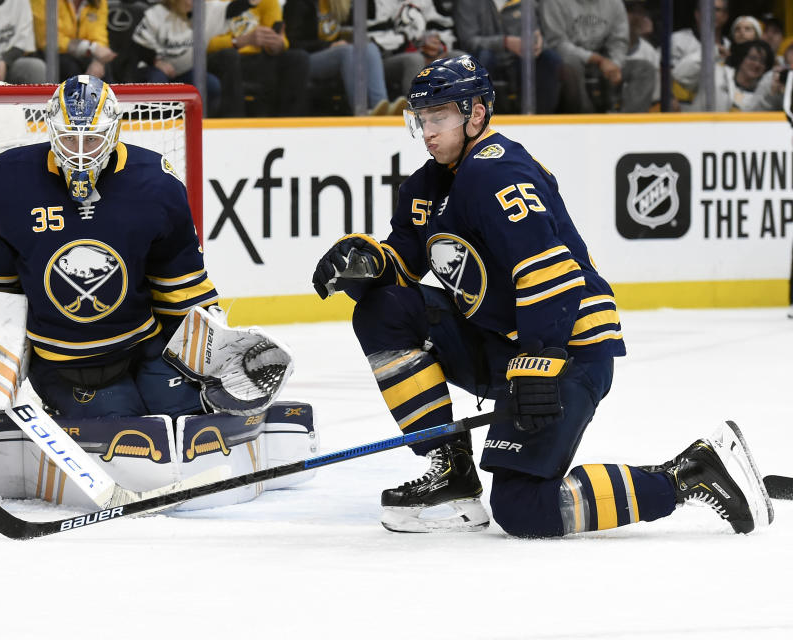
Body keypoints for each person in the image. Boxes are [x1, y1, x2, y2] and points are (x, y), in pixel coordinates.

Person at [310, 55, 773, 537]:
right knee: (383, 309)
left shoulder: (498, 172)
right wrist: (367, 265)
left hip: (568, 346)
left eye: (440, 116)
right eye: (422, 119)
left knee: (522, 507)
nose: (428, 131)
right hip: (505, 343)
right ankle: (451, 469)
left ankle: (688, 475)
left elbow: (547, 270)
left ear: (476, 114)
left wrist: (539, 357)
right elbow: (405, 263)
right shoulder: (426, 185)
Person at [0, 76, 217, 419]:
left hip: (144, 344)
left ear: (113, 133)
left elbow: (179, 281)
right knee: (124, 428)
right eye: (69, 139)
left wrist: (215, 344)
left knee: (187, 414)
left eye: (92, 140)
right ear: (51, 131)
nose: (80, 153)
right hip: (64, 363)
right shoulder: (7, 181)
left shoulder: (155, 182)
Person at [131, 0, 258, 118]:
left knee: (211, 85)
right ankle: (155, 126)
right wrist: (156, 62)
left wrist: (250, 2)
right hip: (154, 69)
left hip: (185, 72)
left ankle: (202, 124)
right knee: (158, 84)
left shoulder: (205, 10)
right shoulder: (157, 14)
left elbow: (232, 9)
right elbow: (138, 46)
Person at [453, 0, 562, 113]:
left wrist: (538, 43)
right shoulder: (467, 2)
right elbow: (469, 42)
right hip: (486, 58)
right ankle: (482, 118)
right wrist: (505, 42)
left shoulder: (526, 2)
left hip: (519, 57)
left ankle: (542, 120)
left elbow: (538, 33)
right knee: (484, 58)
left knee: (549, 58)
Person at [284, 0, 391, 115]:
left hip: (333, 56)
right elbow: (292, 43)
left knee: (369, 48)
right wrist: (328, 46)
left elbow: (370, 11)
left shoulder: (337, 3)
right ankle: (361, 111)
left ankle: (380, 106)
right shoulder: (298, 3)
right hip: (304, 61)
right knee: (346, 52)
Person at [541, 0, 650, 113]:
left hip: (603, 63)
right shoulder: (552, 2)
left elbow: (619, 41)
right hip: (567, 64)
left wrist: (615, 63)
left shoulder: (614, 3)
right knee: (570, 63)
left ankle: (625, 123)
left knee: (644, 69)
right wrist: (597, 59)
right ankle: (587, 119)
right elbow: (557, 44)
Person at [206, 0, 310, 117]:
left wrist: (278, 44)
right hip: (220, 59)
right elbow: (202, 43)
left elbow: (281, 38)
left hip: (256, 59)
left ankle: (290, 124)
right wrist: (239, 42)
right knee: (229, 56)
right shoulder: (211, 3)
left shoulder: (267, 2)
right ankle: (234, 124)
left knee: (298, 59)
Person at [368, 0, 465, 105]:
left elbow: (444, 30)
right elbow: (372, 41)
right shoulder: (375, 3)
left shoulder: (428, 2)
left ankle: (462, 111)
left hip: (423, 54)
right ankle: (418, 109)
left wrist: (439, 48)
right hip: (386, 60)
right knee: (414, 59)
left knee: (458, 58)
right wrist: (415, 45)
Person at [674, 39, 779, 111]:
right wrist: (710, 53)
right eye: (752, 58)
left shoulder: (763, 94)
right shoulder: (716, 73)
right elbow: (680, 75)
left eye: (762, 62)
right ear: (742, 58)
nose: (756, 64)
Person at [30, 0, 118, 80]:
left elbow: (100, 36)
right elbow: (46, 38)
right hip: (48, 53)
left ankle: (110, 97)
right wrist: (90, 47)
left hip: (83, 54)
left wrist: (99, 61)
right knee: (70, 67)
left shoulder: (99, 1)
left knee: (103, 69)